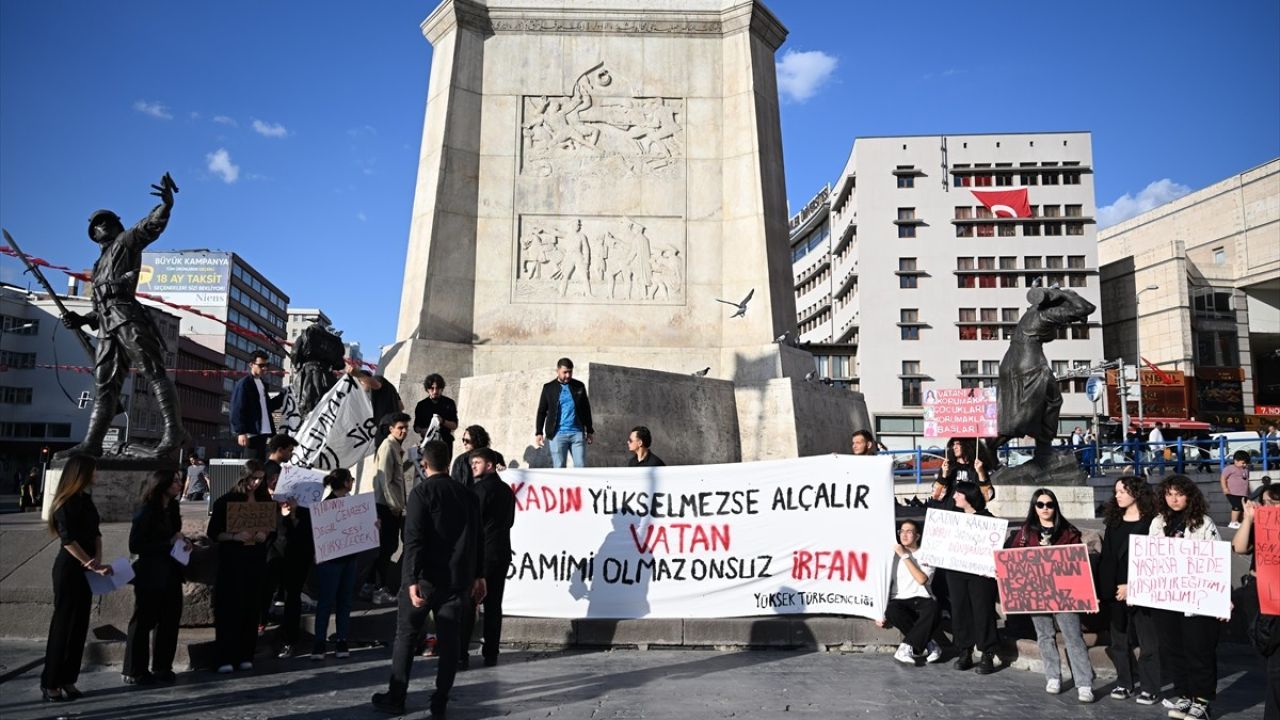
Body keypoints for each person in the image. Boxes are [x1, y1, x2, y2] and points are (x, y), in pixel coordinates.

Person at [57, 175, 189, 459]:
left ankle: (174, 430)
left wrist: (165, 206)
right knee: (105, 384)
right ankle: (92, 443)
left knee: (152, 370)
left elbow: (149, 227)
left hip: (127, 317)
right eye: (96, 225)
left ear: (116, 225)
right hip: (106, 325)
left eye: (106, 222)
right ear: (92, 235)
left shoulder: (125, 242)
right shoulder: (98, 265)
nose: (101, 226)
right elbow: (101, 303)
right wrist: (82, 320)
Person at [372, 440, 484, 718]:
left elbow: (413, 541)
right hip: (457, 581)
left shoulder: (422, 494)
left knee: (406, 638)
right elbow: (477, 539)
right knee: (449, 644)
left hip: (424, 581)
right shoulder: (468, 495)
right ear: (448, 462)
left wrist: (409, 579)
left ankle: (397, 696)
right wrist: (479, 575)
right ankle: (440, 699)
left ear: (424, 464)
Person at [1006, 489, 1094, 702]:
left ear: (1055, 506)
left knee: (1073, 637)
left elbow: (1078, 561)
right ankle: (1053, 676)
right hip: (1037, 592)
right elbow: (1013, 558)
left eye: (1049, 504)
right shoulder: (1026, 532)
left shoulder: (1068, 531)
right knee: (1044, 635)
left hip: (1065, 593)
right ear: (1034, 507)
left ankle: (1084, 682)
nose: (1045, 508)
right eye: (1040, 504)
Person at [1149, 474, 1222, 720]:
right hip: (1167, 599)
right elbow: (1149, 558)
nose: (1174, 499)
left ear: (1189, 495)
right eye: (1169, 494)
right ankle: (1185, 695)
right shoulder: (1158, 522)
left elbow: (1216, 563)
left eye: (1179, 493)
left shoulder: (1203, 523)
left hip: (1197, 600)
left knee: (1199, 650)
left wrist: (1221, 598)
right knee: (1174, 649)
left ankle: (1202, 701)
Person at [41, 455, 111, 702]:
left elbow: (96, 533)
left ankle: (69, 678)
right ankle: (51, 682)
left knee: (80, 625)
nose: (97, 475)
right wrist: (89, 562)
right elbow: (67, 539)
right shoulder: (65, 502)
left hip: (87, 567)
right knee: (63, 624)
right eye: (93, 471)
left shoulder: (86, 500)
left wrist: (97, 561)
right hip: (69, 568)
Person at [1097, 475, 1162, 706]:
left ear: (1136, 493)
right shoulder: (1113, 522)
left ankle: (1150, 687)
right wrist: (1103, 590)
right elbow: (1107, 558)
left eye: (1122, 491)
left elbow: (1156, 561)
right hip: (1115, 593)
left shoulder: (1153, 523)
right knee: (1119, 641)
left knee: (1148, 642)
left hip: (1142, 592)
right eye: (1116, 492)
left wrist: (1132, 586)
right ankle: (1124, 682)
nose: (1117, 495)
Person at [123, 470, 190, 685]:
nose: (180, 484)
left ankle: (163, 666)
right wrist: (167, 544)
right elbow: (135, 545)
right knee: (143, 621)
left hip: (171, 571)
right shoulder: (147, 511)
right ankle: (135, 669)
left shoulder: (172, 508)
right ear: (162, 484)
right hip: (150, 572)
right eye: (175, 481)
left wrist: (184, 542)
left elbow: (175, 535)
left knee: (169, 620)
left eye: (180, 481)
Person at [207, 461, 272, 673]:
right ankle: (225, 656)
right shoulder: (226, 501)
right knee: (229, 610)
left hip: (256, 561)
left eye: (260, 478)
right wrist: (234, 537)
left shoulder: (264, 499)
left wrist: (265, 533)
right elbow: (214, 533)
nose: (257, 483)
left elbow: (272, 528)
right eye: (253, 478)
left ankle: (246, 654)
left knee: (251, 608)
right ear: (244, 477)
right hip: (233, 562)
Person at [459, 448, 516, 668]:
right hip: (501, 553)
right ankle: (491, 651)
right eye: (472, 462)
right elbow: (510, 521)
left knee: (469, 603)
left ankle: (461, 653)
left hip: (480, 555)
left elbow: (471, 525)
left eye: (477, 462)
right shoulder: (506, 490)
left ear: (490, 465)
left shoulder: (478, 491)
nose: (473, 465)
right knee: (494, 604)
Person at [1231, 484, 1280, 720]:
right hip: (1261, 595)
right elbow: (1239, 547)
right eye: (1265, 503)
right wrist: (1249, 519)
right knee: (1268, 655)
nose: (1268, 507)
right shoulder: (1261, 523)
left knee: (1276, 666)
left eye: (1274, 503)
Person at [944, 480, 1000, 675]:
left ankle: (987, 652)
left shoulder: (987, 519)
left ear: (968, 496)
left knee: (983, 610)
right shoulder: (952, 518)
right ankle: (964, 650)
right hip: (956, 572)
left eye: (958, 494)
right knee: (960, 610)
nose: (954, 497)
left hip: (980, 574)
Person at [312, 469, 362, 661]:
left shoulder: (353, 504)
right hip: (331, 561)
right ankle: (319, 642)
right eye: (350, 480)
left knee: (345, 601)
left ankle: (341, 638)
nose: (352, 482)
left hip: (349, 558)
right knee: (327, 601)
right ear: (345, 482)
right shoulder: (327, 505)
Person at [876, 519, 941, 665]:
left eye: (909, 532)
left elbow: (922, 579)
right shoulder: (891, 556)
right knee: (892, 611)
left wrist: (905, 556)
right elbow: (883, 581)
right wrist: (877, 611)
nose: (904, 535)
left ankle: (905, 647)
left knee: (933, 609)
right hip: (899, 599)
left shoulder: (927, 554)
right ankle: (930, 644)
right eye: (901, 531)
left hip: (922, 598)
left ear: (917, 536)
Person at [268, 479, 314, 659]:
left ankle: (289, 641)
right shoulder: (269, 507)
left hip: (296, 561)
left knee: (292, 598)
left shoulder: (304, 511)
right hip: (275, 558)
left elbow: (306, 535)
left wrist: (293, 514)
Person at [371, 412, 411, 605]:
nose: (404, 431)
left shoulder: (395, 446)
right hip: (387, 506)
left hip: (391, 505)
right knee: (386, 547)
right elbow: (384, 479)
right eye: (400, 428)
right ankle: (379, 588)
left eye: (405, 428)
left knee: (389, 546)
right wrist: (394, 504)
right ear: (391, 428)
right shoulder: (388, 446)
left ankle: (374, 586)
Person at [534, 357, 594, 468]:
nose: (567, 375)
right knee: (559, 467)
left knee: (581, 466)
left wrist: (589, 430)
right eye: (564, 372)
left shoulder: (579, 386)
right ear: (557, 371)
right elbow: (542, 411)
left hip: (577, 433)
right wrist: (539, 432)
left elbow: (586, 409)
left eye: (570, 372)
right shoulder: (548, 388)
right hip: (557, 434)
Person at [230, 350, 284, 461]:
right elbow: (237, 408)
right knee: (252, 468)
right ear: (251, 365)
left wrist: (284, 395)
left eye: (266, 365)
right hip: (251, 433)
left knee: (260, 467)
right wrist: (241, 432)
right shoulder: (244, 383)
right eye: (261, 365)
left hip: (263, 432)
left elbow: (268, 407)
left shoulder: (263, 384)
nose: (264, 368)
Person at [352, 368, 404, 448]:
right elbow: (401, 406)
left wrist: (356, 373)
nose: (360, 389)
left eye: (359, 384)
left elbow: (376, 384)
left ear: (363, 380)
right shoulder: (389, 388)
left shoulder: (378, 380)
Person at [414, 374, 459, 447]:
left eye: (438, 388)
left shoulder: (449, 403)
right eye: (432, 388)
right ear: (427, 389)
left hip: (445, 443)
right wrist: (423, 430)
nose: (435, 391)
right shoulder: (421, 405)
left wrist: (442, 421)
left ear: (442, 389)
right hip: (427, 443)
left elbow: (454, 426)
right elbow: (416, 427)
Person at [1220, 450, 1251, 529]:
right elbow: (1223, 478)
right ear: (1235, 461)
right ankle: (1233, 522)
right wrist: (1225, 488)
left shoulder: (1246, 469)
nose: (1245, 464)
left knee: (1242, 508)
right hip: (1233, 492)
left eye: (1246, 463)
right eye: (1243, 463)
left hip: (1243, 493)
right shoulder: (1229, 468)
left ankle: (1238, 522)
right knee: (1236, 506)